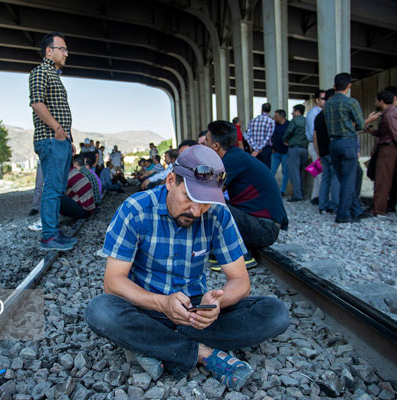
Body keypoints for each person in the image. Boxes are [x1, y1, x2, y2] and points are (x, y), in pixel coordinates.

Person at [85, 145, 289, 389]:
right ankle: (203, 353)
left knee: (275, 313)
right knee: (100, 310)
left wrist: (216, 304)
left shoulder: (218, 214)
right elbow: (113, 281)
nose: (196, 210)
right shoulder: (136, 209)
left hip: (194, 313)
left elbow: (240, 281)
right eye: (190, 198)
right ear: (171, 181)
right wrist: (162, 303)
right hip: (145, 308)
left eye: (204, 202)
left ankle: (151, 344)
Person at [205, 121, 288, 266]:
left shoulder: (231, 160)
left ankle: (242, 254)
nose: (203, 144)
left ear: (216, 146)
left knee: (210, 203)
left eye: (206, 140)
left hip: (264, 229)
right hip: (261, 225)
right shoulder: (236, 156)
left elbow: (208, 192)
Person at [29, 31, 77, 251]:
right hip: (50, 139)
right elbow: (37, 103)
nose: (66, 53)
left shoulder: (55, 76)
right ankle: (48, 236)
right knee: (52, 189)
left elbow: (60, 110)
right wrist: (57, 129)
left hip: (60, 139)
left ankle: (53, 232)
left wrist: (69, 138)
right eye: (62, 49)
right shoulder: (40, 72)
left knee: (57, 189)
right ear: (49, 51)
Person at [324, 73, 365, 223]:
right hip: (348, 142)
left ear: (334, 86)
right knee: (349, 179)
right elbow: (361, 124)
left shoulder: (327, 104)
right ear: (349, 86)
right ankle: (343, 215)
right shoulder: (351, 102)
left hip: (333, 144)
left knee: (348, 177)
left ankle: (356, 210)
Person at [365, 91, 397, 215]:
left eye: (376, 100)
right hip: (392, 147)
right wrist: (371, 131)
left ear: (382, 101)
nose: (375, 103)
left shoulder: (389, 115)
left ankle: (378, 209)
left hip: (389, 149)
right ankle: (384, 207)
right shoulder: (393, 112)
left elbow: (396, 134)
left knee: (382, 180)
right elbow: (386, 132)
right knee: (387, 179)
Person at [313, 89, 340, 214]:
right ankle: (334, 205)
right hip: (332, 150)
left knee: (325, 178)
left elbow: (315, 136)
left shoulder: (318, 116)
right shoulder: (332, 114)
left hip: (322, 151)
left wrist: (318, 152)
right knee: (335, 178)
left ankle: (322, 205)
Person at [283, 104, 308, 202]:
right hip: (305, 149)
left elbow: (288, 132)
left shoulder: (294, 121)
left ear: (297, 111)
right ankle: (302, 192)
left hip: (295, 149)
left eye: (293, 111)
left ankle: (297, 195)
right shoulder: (307, 121)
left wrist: (285, 140)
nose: (292, 113)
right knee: (302, 173)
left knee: (294, 173)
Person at [305, 90, 326, 204]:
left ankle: (316, 197)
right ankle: (317, 198)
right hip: (315, 145)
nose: (325, 101)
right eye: (323, 98)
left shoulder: (321, 112)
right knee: (319, 174)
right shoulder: (314, 113)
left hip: (318, 145)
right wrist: (319, 152)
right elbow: (315, 133)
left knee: (320, 174)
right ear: (317, 100)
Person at [244, 103, 275, 169]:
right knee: (265, 169)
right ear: (269, 111)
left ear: (261, 109)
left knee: (255, 169)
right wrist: (259, 148)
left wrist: (255, 148)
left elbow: (248, 136)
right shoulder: (271, 121)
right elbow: (268, 137)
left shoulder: (252, 121)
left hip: (254, 149)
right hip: (265, 149)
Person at [270, 110, 290, 196]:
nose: (274, 118)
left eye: (276, 116)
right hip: (275, 152)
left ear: (281, 117)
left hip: (285, 152)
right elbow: (270, 136)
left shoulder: (289, 125)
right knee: (271, 172)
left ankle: (282, 190)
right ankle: (271, 189)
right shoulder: (274, 125)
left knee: (285, 172)